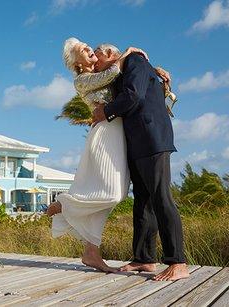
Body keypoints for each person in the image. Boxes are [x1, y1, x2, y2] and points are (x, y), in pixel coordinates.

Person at [49, 38, 173, 274]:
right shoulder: (82, 80)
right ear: (76, 62)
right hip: (106, 133)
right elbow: (113, 74)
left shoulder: (107, 70)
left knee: (115, 193)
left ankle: (91, 252)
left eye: (89, 46)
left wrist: (152, 70)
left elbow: (127, 78)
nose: (89, 49)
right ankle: (65, 204)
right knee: (115, 194)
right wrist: (127, 53)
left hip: (121, 135)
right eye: (84, 50)